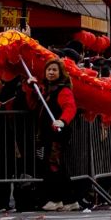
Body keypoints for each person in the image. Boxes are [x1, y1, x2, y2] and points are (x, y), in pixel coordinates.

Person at [24, 58, 76, 211]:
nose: (51, 72)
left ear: (60, 73)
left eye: (54, 70)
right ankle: (60, 198)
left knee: (55, 166)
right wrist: (30, 87)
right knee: (52, 166)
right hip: (47, 134)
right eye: (49, 70)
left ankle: (64, 199)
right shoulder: (45, 90)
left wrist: (62, 121)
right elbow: (32, 104)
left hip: (58, 134)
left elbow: (70, 107)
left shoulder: (63, 90)